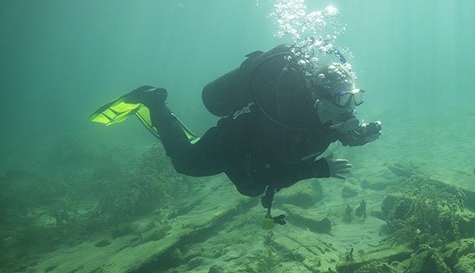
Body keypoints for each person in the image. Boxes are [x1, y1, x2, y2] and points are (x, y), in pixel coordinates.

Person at [113, 44, 381, 223]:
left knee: (250, 188)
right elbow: (270, 172)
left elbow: (341, 133)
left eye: (355, 98)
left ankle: (164, 113)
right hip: (234, 142)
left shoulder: (329, 115)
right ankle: (155, 102)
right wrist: (320, 169)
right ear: (322, 99)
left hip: (255, 160)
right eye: (344, 98)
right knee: (185, 162)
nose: (351, 108)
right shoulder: (286, 118)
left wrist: (362, 135)